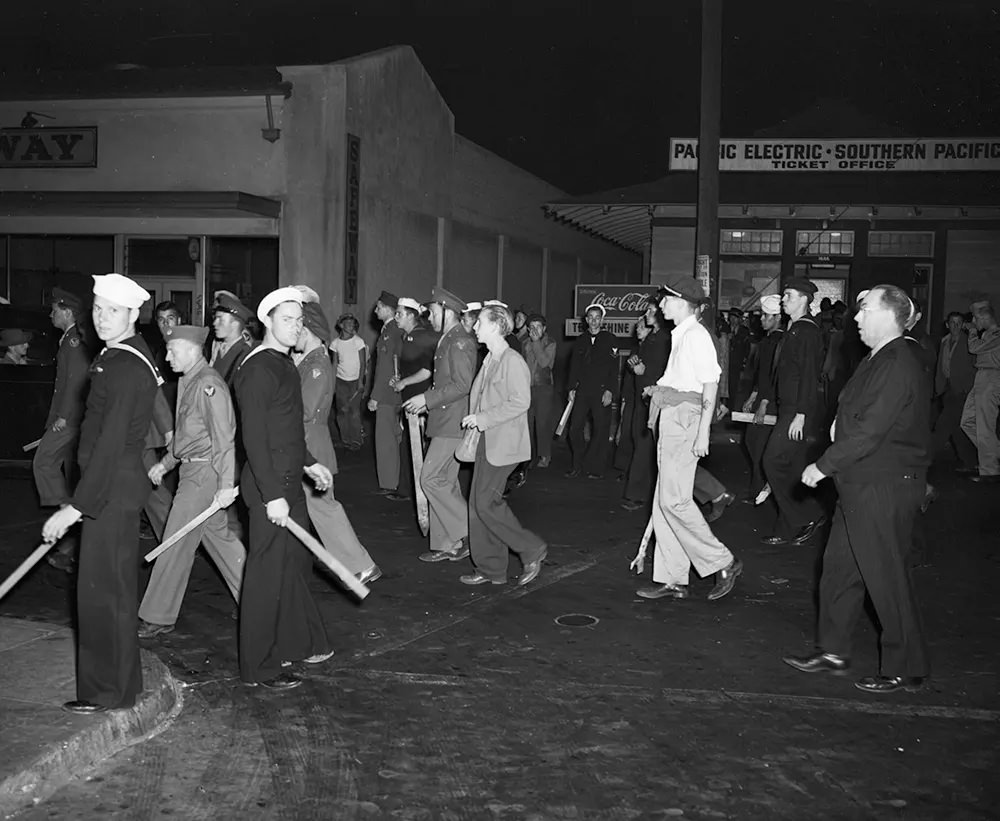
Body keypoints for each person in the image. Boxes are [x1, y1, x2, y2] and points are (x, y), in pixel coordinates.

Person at [786, 285, 931, 694]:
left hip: (883, 483)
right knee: (838, 570)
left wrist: (822, 466)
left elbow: (870, 431)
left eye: (864, 309)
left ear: (889, 315)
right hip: (861, 482)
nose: (856, 317)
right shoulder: (878, 358)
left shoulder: (898, 361)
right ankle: (833, 650)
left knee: (886, 577)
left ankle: (909, 666)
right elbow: (856, 414)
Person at [41, 273, 163, 714]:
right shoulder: (122, 357)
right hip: (115, 489)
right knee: (109, 592)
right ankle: (118, 689)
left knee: (101, 595)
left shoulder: (123, 364)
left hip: (109, 491)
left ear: (133, 314)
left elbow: (110, 443)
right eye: (98, 309)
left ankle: (106, 693)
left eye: (113, 311)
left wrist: (75, 507)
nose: (103, 318)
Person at [232, 287, 335, 690]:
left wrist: (310, 464)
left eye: (299, 320)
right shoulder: (258, 368)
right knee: (266, 576)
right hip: (269, 488)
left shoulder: (284, 364)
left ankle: (298, 641)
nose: (296, 326)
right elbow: (255, 438)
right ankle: (259, 666)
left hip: (290, 482)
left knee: (293, 567)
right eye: (287, 319)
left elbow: (287, 429)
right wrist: (273, 495)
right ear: (267, 322)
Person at [633, 273, 741, 601]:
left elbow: (710, 384)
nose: (660, 304)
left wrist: (703, 432)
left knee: (675, 500)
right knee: (663, 500)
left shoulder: (696, 336)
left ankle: (723, 561)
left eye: (665, 299)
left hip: (685, 419)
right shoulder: (680, 334)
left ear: (682, 303)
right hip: (672, 416)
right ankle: (673, 578)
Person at [137, 325, 246, 638]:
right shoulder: (189, 380)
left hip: (204, 475)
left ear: (192, 349)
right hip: (193, 470)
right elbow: (187, 435)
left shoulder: (209, 384)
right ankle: (260, 599)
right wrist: (165, 463)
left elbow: (223, 439)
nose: (167, 357)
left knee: (174, 542)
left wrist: (226, 486)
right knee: (220, 541)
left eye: (173, 350)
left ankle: (158, 615)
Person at [459, 302, 547, 586]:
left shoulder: (512, 361)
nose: (474, 327)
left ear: (496, 326)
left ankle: (532, 548)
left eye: (480, 323)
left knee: (486, 503)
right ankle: (491, 568)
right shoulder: (490, 359)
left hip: (505, 444)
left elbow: (521, 402)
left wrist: (482, 418)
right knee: (476, 505)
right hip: (486, 440)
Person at [295, 300, 380, 582]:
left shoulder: (317, 364)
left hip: (311, 446)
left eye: (297, 325)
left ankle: (360, 565)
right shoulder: (309, 360)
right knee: (313, 509)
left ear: (308, 329)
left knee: (323, 508)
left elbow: (305, 410)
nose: (293, 331)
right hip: (305, 444)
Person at [403, 287, 477, 563]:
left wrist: (426, 397)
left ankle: (469, 531)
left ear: (448, 312)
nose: (428, 316)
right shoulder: (448, 339)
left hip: (453, 422)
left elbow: (462, 384)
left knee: (430, 479)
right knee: (445, 481)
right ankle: (447, 544)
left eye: (432, 312)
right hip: (445, 420)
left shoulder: (459, 342)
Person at [761, 277, 827, 546]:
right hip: (790, 406)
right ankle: (787, 527)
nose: (783, 300)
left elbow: (810, 376)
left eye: (788, 295)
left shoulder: (807, 331)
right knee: (793, 464)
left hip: (798, 410)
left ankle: (810, 514)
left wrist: (801, 413)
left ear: (804, 299)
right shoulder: (794, 329)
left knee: (772, 461)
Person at [34, 288, 92, 572]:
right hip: (69, 418)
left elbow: (76, 381)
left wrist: (64, 417)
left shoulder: (73, 341)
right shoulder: (70, 339)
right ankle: (72, 541)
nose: (51, 314)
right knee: (71, 477)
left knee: (43, 461)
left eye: (54, 310)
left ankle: (66, 514)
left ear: (67, 311)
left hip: (68, 419)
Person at [621, 302, 670, 511]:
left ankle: (636, 495)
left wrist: (644, 372)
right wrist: (636, 365)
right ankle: (644, 493)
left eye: (651, 311)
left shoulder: (667, 339)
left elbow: (666, 373)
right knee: (643, 446)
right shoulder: (652, 338)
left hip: (656, 400)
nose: (647, 314)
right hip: (643, 399)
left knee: (645, 448)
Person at [390, 297, 439, 499]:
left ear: (411, 315)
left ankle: (418, 490)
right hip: (410, 396)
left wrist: (405, 382)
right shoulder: (408, 337)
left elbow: (427, 371)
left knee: (417, 445)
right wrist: (401, 379)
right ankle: (410, 488)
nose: (396, 317)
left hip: (419, 399)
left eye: (399, 314)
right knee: (410, 444)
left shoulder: (421, 337)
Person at [566, 303, 619, 478]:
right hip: (582, 391)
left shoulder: (610, 339)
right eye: (591, 318)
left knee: (601, 429)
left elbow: (614, 368)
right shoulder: (580, 340)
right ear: (586, 320)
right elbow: (574, 367)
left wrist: (610, 390)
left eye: (598, 318)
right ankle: (577, 465)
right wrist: (571, 388)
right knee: (574, 429)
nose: (594, 321)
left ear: (602, 320)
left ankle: (596, 468)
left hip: (602, 391)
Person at [742, 294, 784, 502]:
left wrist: (764, 403)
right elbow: (763, 374)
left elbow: (775, 376)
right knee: (752, 441)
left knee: (759, 445)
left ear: (777, 317)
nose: (761, 320)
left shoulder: (779, 341)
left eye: (766, 316)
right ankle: (759, 487)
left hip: (771, 401)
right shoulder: (768, 340)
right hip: (763, 397)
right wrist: (753, 395)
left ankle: (761, 490)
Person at [367, 290, 406, 499]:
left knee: (385, 440)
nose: (375, 310)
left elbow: (385, 369)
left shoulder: (391, 332)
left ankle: (389, 483)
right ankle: (392, 480)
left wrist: (375, 396)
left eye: (378, 307)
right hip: (392, 393)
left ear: (388, 309)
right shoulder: (390, 330)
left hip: (387, 395)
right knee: (392, 438)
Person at [932, 311, 977, 472]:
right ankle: (970, 462)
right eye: (952, 322)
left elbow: (975, 366)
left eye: (959, 323)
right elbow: (940, 367)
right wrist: (939, 388)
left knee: (943, 425)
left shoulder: (969, 342)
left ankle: (923, 459)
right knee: (957, 428)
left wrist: (969, 388)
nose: (956, 326)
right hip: (948, 389)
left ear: (963, 324)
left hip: (962, 391)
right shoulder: (944, 342)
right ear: (947, 325)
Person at [960, 300, 1000, 482]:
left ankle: (990, 470)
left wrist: (972, 332)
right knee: (967, 421)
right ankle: (992, 455)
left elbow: (974, 348)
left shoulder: (997, 334)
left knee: (985, 426)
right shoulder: (989, 335)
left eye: (976, 319)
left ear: (984, 317)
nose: (974, 322)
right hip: (982, 378)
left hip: (992, 379)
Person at [523, 313, 557, 469]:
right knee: (527, 423)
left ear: (544, 328)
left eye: (538, 327)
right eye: (532, 327)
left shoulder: (551, 343)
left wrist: (536, 342)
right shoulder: (524, 343)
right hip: (526, 388)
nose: (535, 330)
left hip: (544, 388)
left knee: (542, 423)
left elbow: (544, 362)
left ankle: (544, 455)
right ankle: (527, 456)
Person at [329, 313, 367, 450]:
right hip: (341, 381)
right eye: (349, 324)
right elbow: (334, 364)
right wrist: (332, 383)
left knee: (354, 411)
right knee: (342, 411)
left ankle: (356, 439)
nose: (352, 327)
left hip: (355, 381)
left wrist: (361, 382)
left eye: (353, 324)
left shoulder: (358, 341)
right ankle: (346, 439)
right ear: (341, 325)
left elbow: (363, 363)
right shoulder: (335, 343)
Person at [209, 291, 255, 385]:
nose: (214, 323)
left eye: (220, 319)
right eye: (215, 318)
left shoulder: (245, 353)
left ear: (235, 323)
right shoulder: (219, 349)